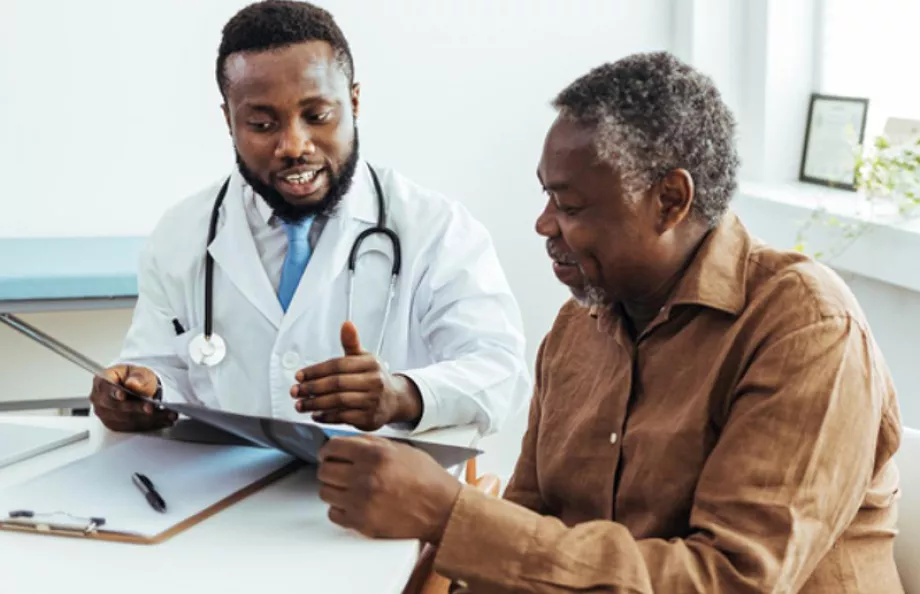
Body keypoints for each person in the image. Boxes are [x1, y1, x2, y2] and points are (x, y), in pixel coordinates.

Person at [314, 52, 905, 593]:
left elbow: (732, 581)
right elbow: (525, 524)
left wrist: (448, 514)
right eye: (546, 197)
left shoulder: (807, 329)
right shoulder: (576, 329)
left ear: (670, 200)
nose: (544, 225)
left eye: (570, 206)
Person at [88, 0, 529, 438]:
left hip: (386, 497)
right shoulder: (181, 235)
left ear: (353, 102)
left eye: (317, 116)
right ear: (229, 121)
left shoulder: (437, 229)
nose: (293, 145)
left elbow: (500, 372)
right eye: (262, 124)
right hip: (228, 493)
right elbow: (161, 366)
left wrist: (402, 395)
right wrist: (140, 391)